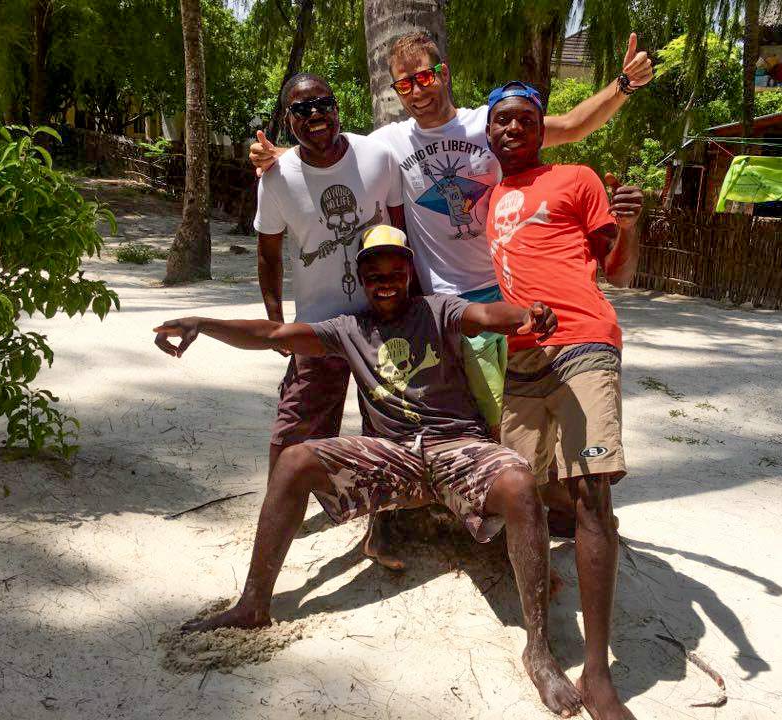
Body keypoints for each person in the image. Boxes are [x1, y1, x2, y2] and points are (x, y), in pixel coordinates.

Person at [153, 226, 584, 718]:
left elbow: (487, 315)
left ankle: (539, 648)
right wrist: (203, 323)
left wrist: (526, 315)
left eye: (395, 272)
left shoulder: (438, 309)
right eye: (374, 274)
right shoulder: (348, 328)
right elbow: (274, 334)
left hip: (457, 445)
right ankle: (254, 603)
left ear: (409, 273)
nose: (386, 282)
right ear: (361, 278)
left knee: (519, 481)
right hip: (393, 454)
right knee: (295, 460)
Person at [251, 31, 653, 432]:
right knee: (459, 416)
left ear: (443, 73)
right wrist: (278, 155)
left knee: (516, 415)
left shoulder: (489, 123)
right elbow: (335, 149)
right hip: (440, 304)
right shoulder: (392, 141)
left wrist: (625, 84)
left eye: (425, 78)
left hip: (504, 295)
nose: (417, 92)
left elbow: (572, 126)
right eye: (405, 84)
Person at [484, 81, 644, 720]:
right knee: (517, 491)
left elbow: (622, 272)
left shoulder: (577, 177)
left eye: (525, 119)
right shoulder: (487, 197)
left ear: (541, 125)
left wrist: (630, 225)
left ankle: (598, 671)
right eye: (502, 121)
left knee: (590, 492)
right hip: (521, 356)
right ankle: (537, 644)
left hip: (584, 340)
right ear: (489, 133)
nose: (513, 129)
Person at [252, 72, 406, 569]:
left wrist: (412, 307)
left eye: (323, 103)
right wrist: (276, 321)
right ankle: (279, 516)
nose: (315, 115)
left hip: (380, 320)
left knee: (389, 428)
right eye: (301, 109)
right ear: (288, 119)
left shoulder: (377, 157)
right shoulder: (276, 178)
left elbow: (400, 232)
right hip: (318, 326)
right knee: (294, 427)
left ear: (338, 107)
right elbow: (269, 252)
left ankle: (383, 526)